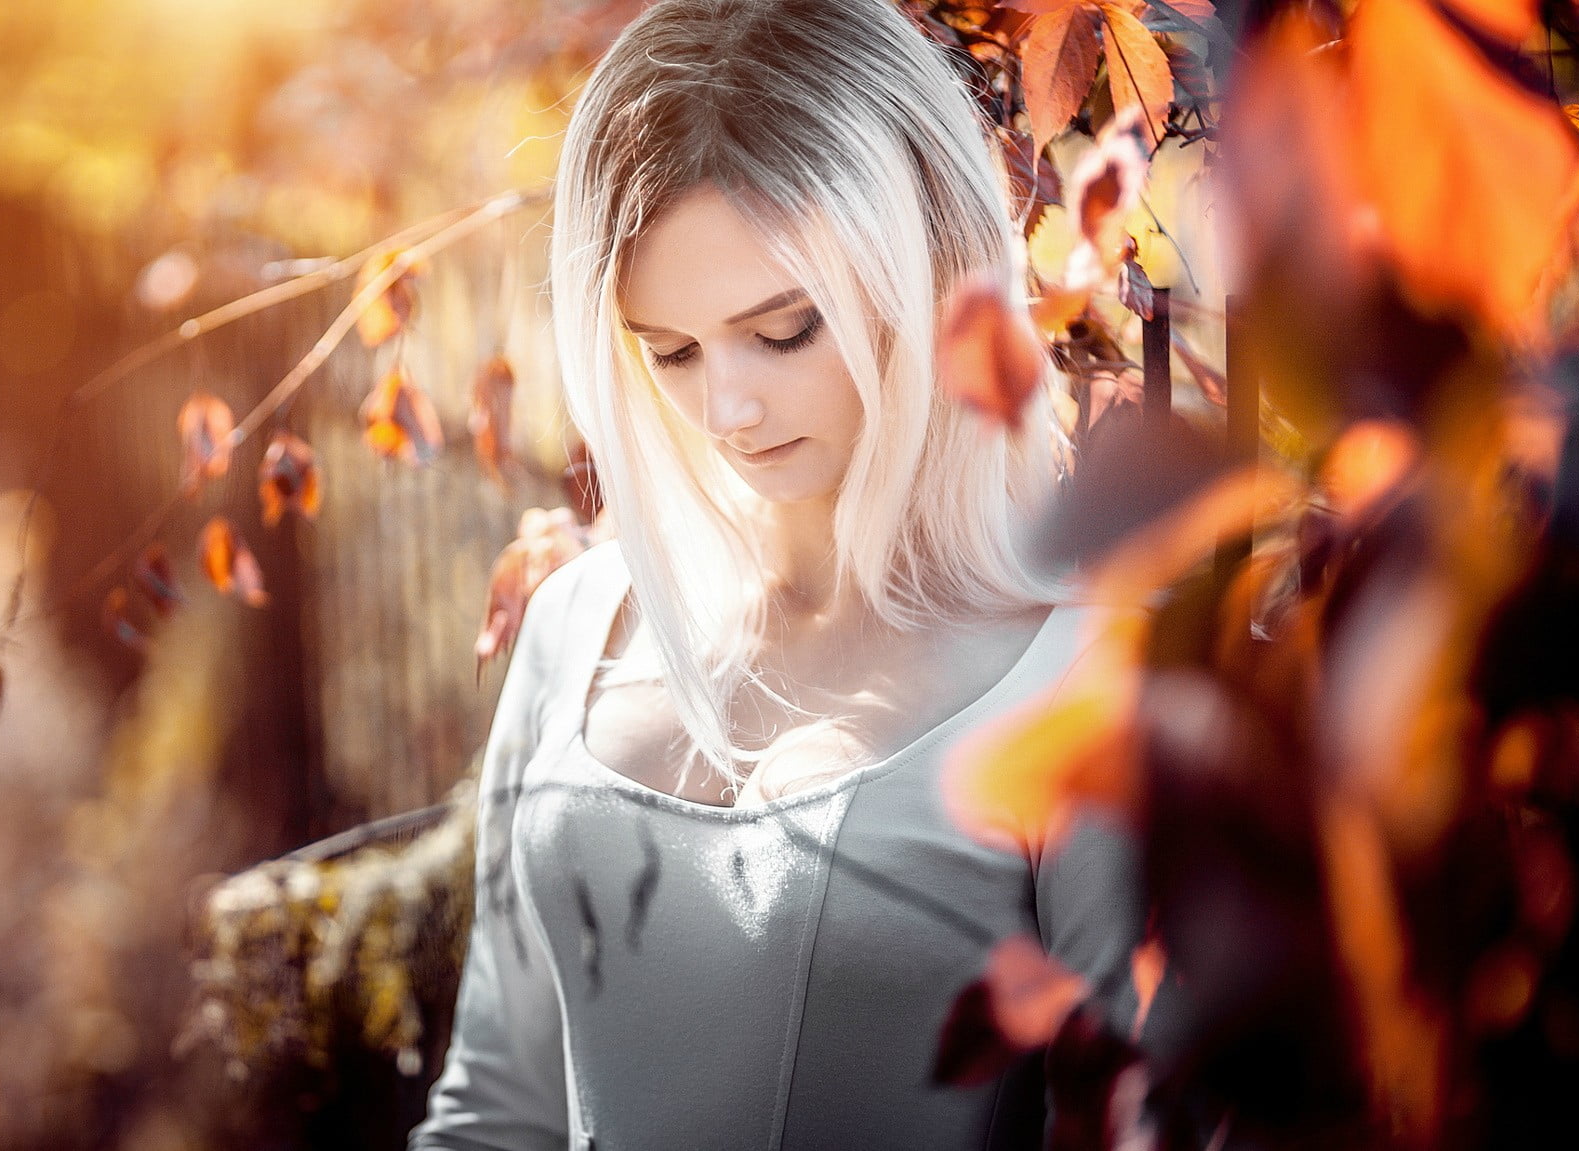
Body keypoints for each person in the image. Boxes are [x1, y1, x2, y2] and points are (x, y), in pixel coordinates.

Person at [411, 1, 1145, 1146]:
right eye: (670, 351)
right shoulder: (578, 625)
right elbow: (493, 1108)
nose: (726, 409)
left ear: (925, 270)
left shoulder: (1088, 675)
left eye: (785, 327)